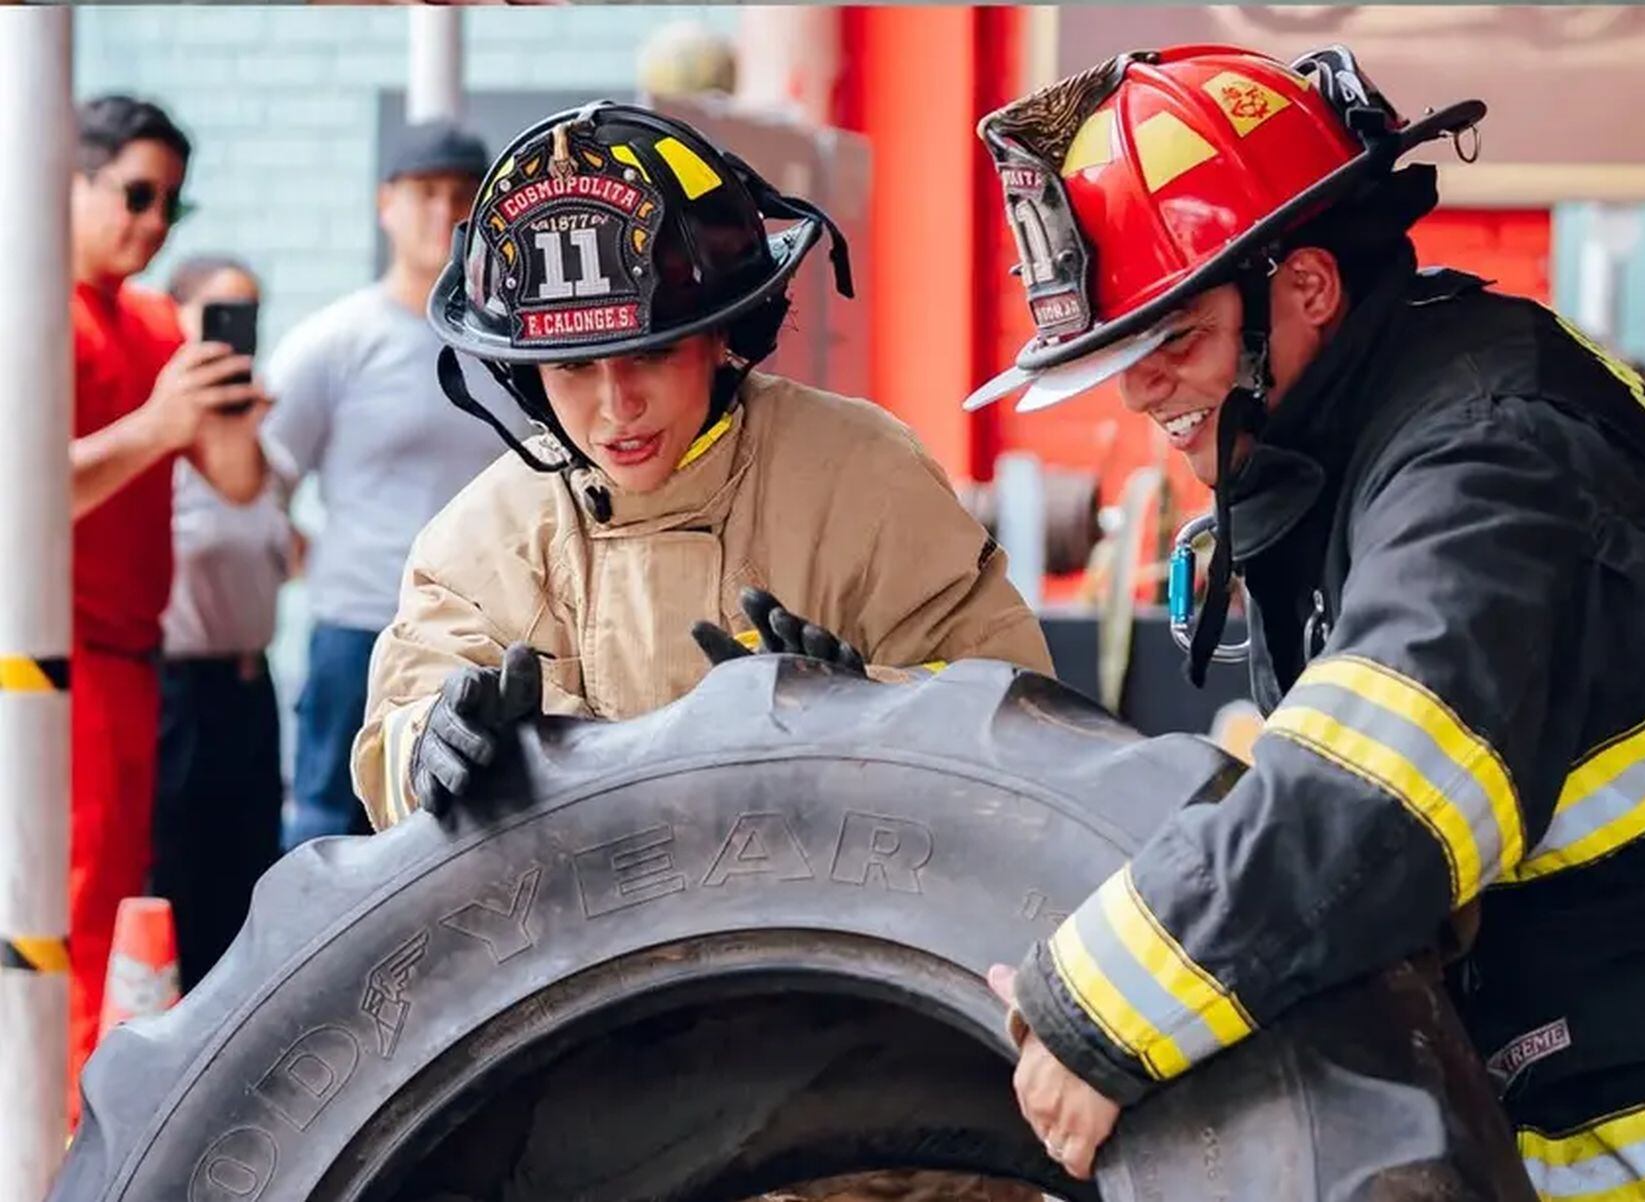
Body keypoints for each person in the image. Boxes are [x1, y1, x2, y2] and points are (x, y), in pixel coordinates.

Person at [963, 45, 1645, 1198]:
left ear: (1305, 287)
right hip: (1632, 1030)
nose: (1138, 391)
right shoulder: (1391, 414)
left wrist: (1095, 1007)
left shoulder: (1483, 453)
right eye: (1121, 354)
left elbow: (1382, 790)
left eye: (1173, 338)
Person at [349, 100, 1049, 1202]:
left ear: (730, 329)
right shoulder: (483, 538)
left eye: (650, 352)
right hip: (605, 1104)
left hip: (889, 1103)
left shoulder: (861, 480)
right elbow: (401, 730)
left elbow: (1029, 728)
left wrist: (879, 707)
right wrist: (431, 749)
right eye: (574, 371)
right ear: (524, 373)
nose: (616, 406)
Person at [67, 96, 270, 1117]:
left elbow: (236, 479)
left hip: (136, 657)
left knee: (122, 902)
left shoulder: (152, 319)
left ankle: (86, 1119)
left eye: (169, 207)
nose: (151, 225)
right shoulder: (32, 306)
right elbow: (27, 497)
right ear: (73, 177)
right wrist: (161, 424)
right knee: (69, 906)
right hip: (54, 662)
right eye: (136, 195)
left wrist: (225, 405)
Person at [261, 119, 528, 850]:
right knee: (329, 828)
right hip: (358, 627)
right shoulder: (334, 342)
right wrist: (321, 563)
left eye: (461, 196)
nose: (443, 213)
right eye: (425, 193)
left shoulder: (511, 345)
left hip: (488, 634)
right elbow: (259, 483)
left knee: (475, 829)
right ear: (387, 203)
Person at [151, 255, 292, 990]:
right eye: (217, 313)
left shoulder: (254, 442)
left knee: (248, 877)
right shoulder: (160, 436)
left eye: (248, 315)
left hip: (249, 687)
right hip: (180, 687)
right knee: (177, 877)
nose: (235, 333)